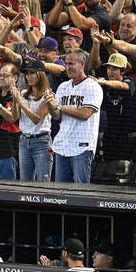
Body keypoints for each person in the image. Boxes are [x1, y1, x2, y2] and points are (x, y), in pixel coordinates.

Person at [49, 48, 103, 183]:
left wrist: (60, 106)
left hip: (82, 146)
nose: (67, 67)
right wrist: (50, 104)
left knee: (81, 190)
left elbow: (85, 114)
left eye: (71, 64)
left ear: (82, 64)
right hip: (63, 145)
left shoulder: (92, 86)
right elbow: (56, 116)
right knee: (61, 191)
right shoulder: (63, 86)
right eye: (66, 64)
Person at [11, 59, 53, 181]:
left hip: (41, 141)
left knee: (42, 182)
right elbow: (15, 117)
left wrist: (20, 102)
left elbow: (37, 119)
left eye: (32, 73)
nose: (28, 76)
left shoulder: (47, 95)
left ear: (40, 74)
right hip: (24, 141)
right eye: (27, 73)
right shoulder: (23, 93)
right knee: (25, 181)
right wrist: (15, 100)